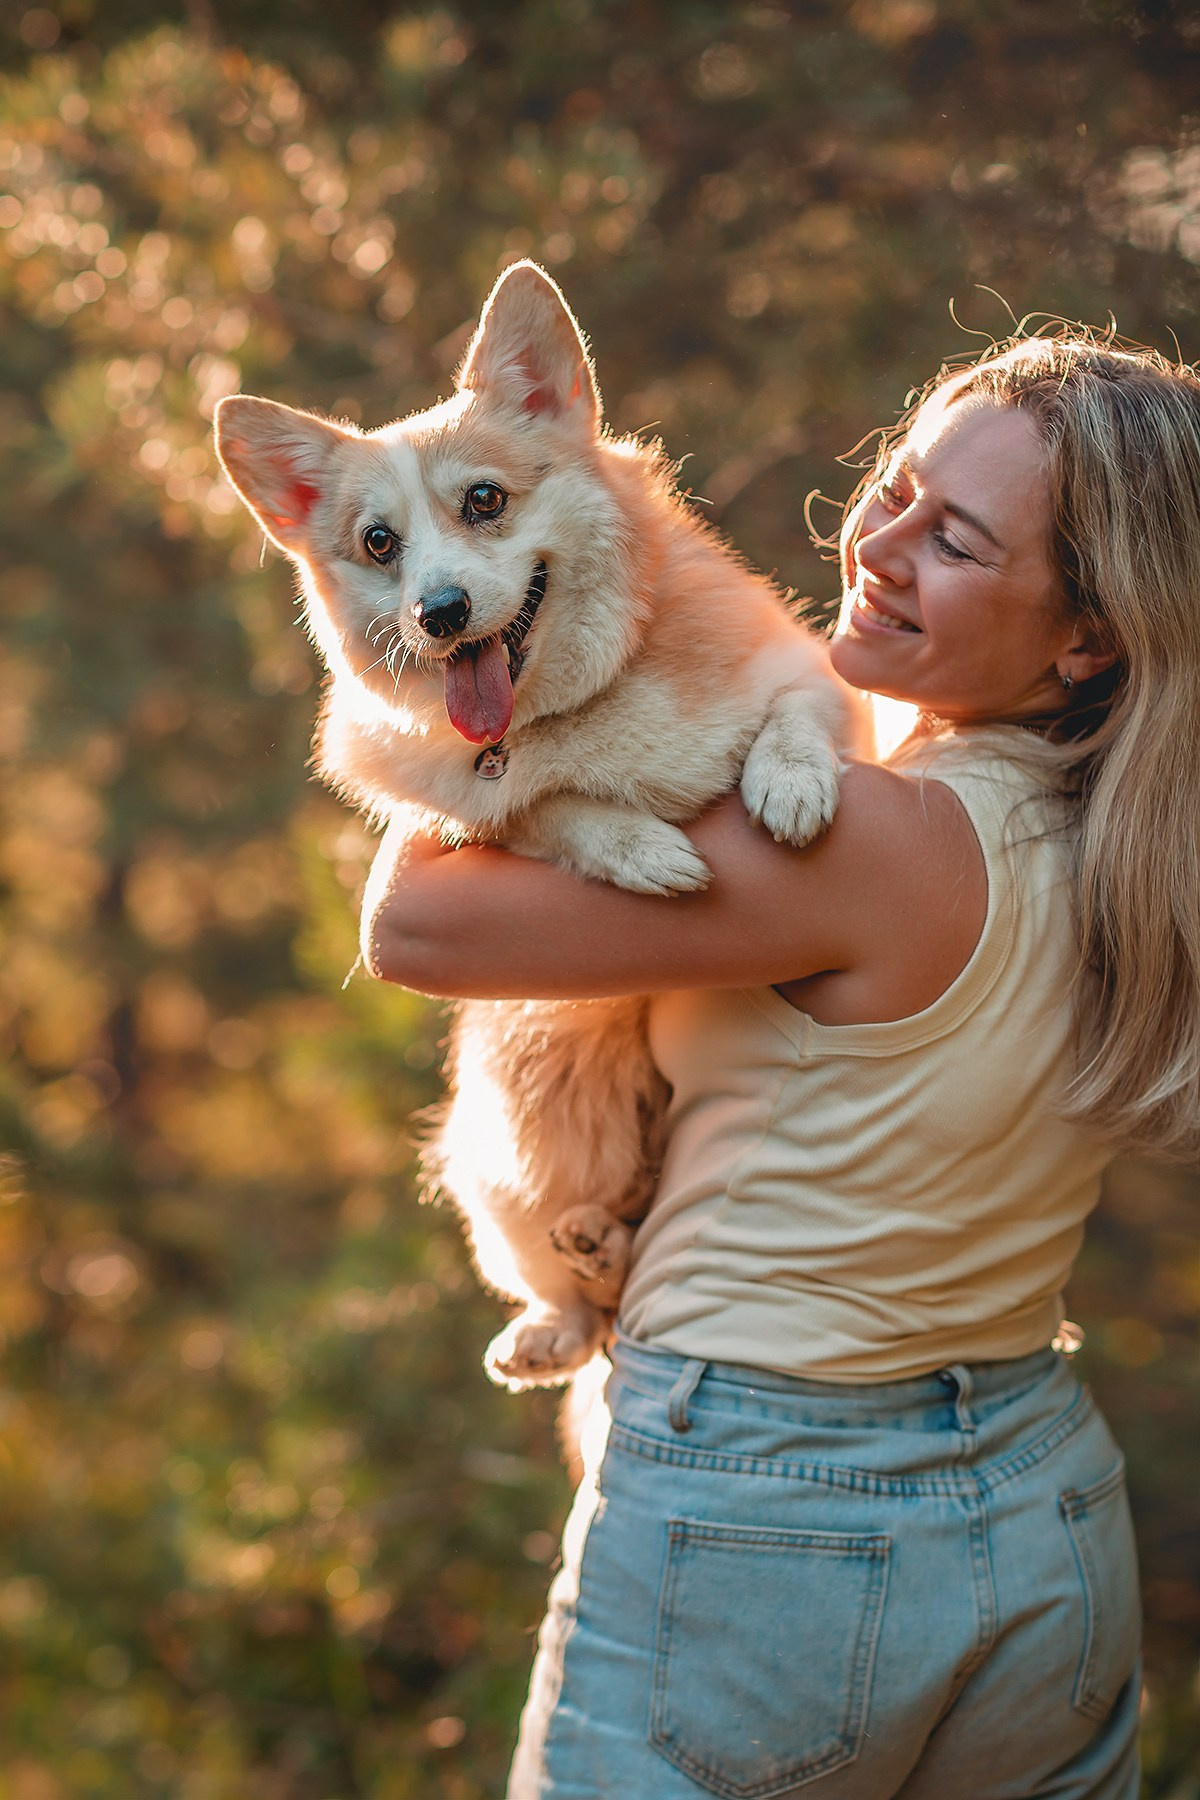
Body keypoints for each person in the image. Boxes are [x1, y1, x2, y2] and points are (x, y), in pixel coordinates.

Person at [361, 330, 1200, 1799]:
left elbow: (414, 920)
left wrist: (476, 643)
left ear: (1088, 637)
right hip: (1042, 1495)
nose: (879, 545)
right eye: (896, 487)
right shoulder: (1117, 839)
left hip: (774, 1508)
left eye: (956, 539)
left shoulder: (866, 844)